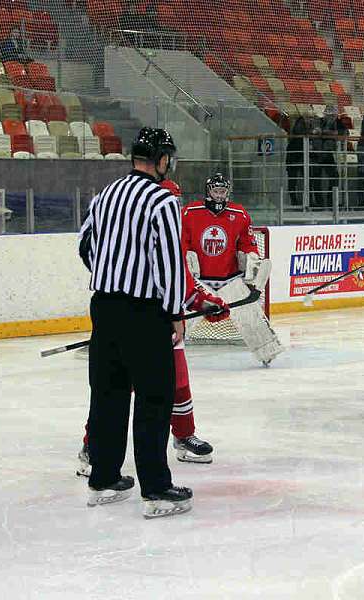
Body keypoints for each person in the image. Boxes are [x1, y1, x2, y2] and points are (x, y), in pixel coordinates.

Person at [77, 127, 229, 518]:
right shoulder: (162, 201)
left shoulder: (105, 194)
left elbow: (85, 244)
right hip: (145, 313)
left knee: (107, 394)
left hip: (104, 307)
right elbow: (168, 264)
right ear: (162, 160)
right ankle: (157, 489)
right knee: (154, 398)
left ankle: (104, 480)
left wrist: (111, 277)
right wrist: (175, 311)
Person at [182, 173, 283, 364]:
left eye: (222, 191)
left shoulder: (239, 214)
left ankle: (266, 352)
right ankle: (168, 351)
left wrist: (251, 257)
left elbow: (248, 243)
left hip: (229, 279)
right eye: (216, 191)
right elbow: (182, 242)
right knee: (181, 317)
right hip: (200, 282)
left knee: (250, 314)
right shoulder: (189, 212)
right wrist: (185, 258)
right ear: (208, 191)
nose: (219, 195)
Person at [310, 105, 348, 208]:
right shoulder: (319, 121)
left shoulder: (338, 123)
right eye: (330, 115)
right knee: (315, 178)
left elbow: (345, 133)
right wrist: (330, 133)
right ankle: (319, 202)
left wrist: (327, 132)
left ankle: (331, 200)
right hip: (317, 153)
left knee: (334, 177)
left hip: (328, 153)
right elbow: (314, 131)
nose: (332, 117)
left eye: (333, 116)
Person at [286, 115, 309, 205]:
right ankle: (294, 200)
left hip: (301, 160)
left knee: (306, 181)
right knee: (293, 182)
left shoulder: (302, 137)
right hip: (294, 160)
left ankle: (304, 201)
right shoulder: (294, 138)